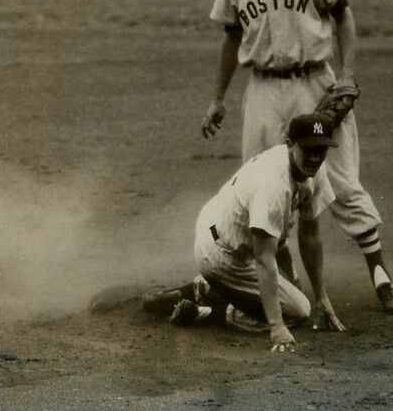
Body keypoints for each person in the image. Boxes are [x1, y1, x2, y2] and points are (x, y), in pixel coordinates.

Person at [199, 0, 393, 313]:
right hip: (261, 90)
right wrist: (217, 99)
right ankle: (286, 279)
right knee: (263, 184)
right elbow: (231, 37)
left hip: (314, 81)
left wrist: (346, 74)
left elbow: (343, 15)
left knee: (340, 179)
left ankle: (380, 275)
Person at [148, 113, 345, 353]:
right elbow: (263, 259)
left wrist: (322, 298)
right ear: (289, 143)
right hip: (222, 253)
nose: (315, 157)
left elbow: (310, 236)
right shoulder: (273, 186)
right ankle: (209, 312)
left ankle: (196, 291)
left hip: (224, 229)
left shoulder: (313, 170)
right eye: (308, 149)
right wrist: (277, 327)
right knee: (299, 310)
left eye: (321, 150)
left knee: (294, 291)